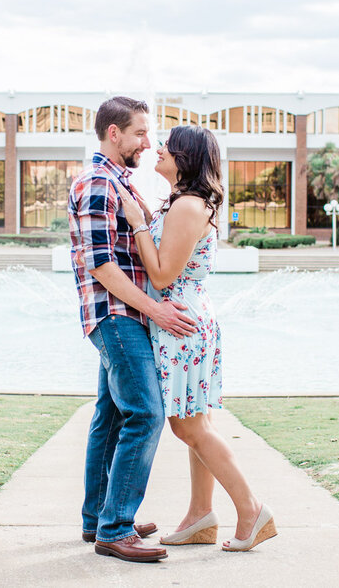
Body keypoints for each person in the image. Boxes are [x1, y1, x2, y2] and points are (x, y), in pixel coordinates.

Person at [116, 125, 277, 552]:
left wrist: (137, 225)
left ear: (184, 158)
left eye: (167, 146)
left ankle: (250, 508)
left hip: (180, 322)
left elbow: (163, 274)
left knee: (187, 426)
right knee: (197, 422)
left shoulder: (188, 205)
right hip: (186, 318)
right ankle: (200, 515)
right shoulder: (184, 202)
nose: (159, 149)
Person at [68, 96, 197, 563]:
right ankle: (116, 528)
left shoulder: (117, 181)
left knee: (111, 419)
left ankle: (98, 518)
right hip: (117, 317)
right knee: (145, 414)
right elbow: (102, 265)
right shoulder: (100, 182)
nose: (150, 141)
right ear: (114, 133)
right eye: (141, 133)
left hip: (124, 316)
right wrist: (157, 312)